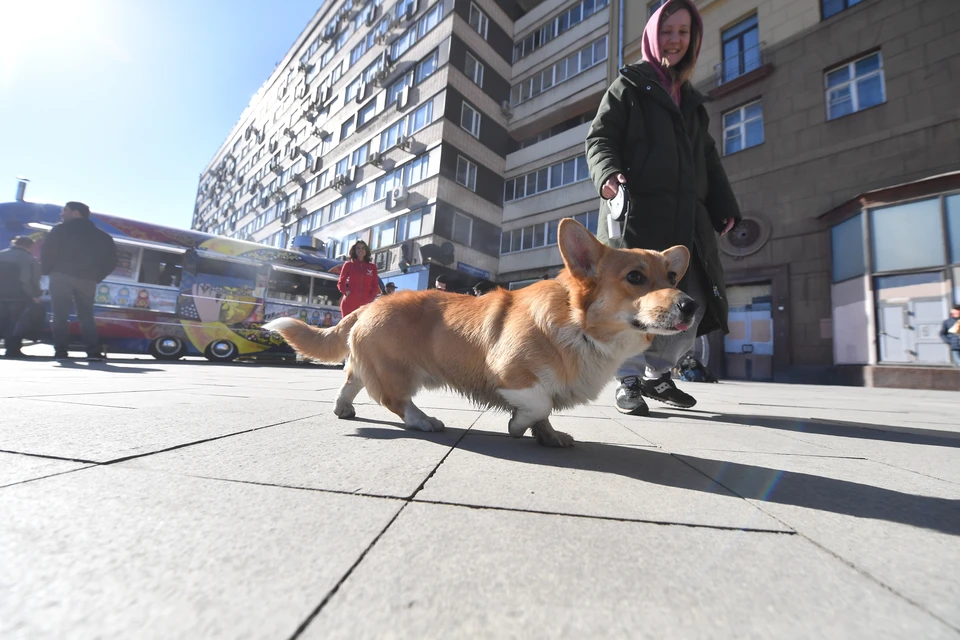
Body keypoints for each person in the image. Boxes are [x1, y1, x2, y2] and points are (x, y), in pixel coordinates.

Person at [585, 0, 741, 416]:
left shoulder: (691, 101)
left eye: (683, 33)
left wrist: (724, 204)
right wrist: (608, 174)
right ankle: (629, 379)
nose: (675, 40)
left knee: (692, 299)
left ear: (693, 40)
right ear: (653, 35)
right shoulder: (629, 86)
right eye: (668, 31)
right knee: (633, 300)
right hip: (637, 214)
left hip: (687, 221)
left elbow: (707, 157)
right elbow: (599, 138)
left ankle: (659, 376)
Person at [40, 202, 118, 361]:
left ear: (76, 213)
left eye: (65, 211)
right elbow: (111, 261)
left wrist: (48, 270)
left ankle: (61, 350)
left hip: (61, 275)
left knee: (60, 314)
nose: (62, 214)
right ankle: (93, 352)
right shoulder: (103, 237)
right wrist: (97, 277)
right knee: (86, 316)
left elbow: (48, 251)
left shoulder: (60, 230)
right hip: (88, 280)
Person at [0, 236, 42, 358]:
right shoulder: (28, 259)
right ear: (29, 246)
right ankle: (12, 349)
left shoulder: (1, 254)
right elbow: (27, 280)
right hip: (18, 296)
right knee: (15, 323)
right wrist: (34, 295)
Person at [336, 240, 379, 316]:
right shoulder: (348, 265)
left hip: (365, 306)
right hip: (349, 305)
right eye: (358, 248)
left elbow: (375, 286)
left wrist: (370, 299)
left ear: (366, 250)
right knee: (347, 327)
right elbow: (340, 283)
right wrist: (346, 292)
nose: (360, 250)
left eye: (363, 248)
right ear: (355, 250)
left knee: (362, 327)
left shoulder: (372, 267)